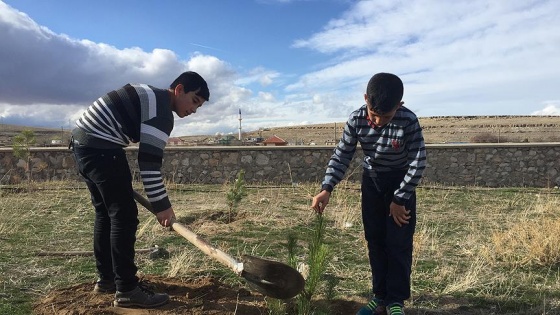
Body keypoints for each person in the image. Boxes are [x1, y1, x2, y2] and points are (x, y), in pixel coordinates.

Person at [69, 71, 210, 308]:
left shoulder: (153, 96)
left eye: (199, 106)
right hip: (101, 148)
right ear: (179, 90)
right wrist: (162, 207)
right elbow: (149, 164)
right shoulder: (162, 112)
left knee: (106, 214)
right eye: (194, 101)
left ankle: (108, 281)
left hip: (83, 145)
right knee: (124, 217)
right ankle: (127, 290)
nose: (194, 110)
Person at [311, 73, 426, 315]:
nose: (378, 121)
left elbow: (418, 162)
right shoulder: (355, 120)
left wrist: (399, 199)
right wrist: (326, 188)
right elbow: (342, 155)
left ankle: (396, 301)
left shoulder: (408, 120)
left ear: (399, 106)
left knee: (399, 244)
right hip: (372, 184)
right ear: (366, 99)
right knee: (375, 241)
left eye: (386, 116)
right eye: (374, 114)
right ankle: (379, 297)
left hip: (400, 184)